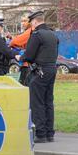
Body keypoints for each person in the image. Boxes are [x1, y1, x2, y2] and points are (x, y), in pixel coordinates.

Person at [16, 11, 59, 143]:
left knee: (37, 102)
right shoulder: (53, 34)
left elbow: (29, 55)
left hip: (39, 72)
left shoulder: (36, 35)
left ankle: (40, 134)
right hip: (51, 70)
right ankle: (49, 133)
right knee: (48, 101)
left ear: (34, 22)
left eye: (31, 23)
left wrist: (20, 57)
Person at [10, 15, 33, 86]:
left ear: (30, 22)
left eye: (25, 21)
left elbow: (14, 42)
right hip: (29, 64)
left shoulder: (29, 32)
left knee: (25, 87)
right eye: (22, 21)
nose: (22, 23)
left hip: (27, 65)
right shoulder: (30, 31)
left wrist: (13, 42)